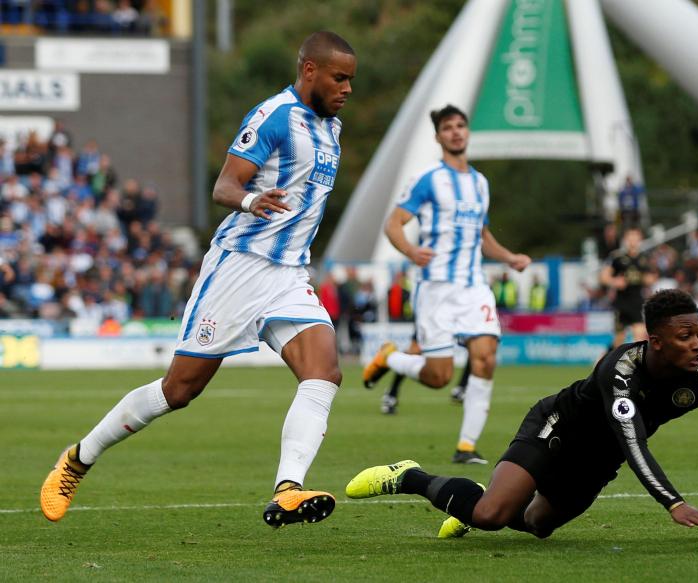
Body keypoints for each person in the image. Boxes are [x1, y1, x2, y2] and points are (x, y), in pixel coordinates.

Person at [39, 31, 357, 529]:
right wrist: (252, 200)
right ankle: (78, 458)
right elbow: (225, 185)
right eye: (340, 78)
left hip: (289, 274)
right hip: (238, 267)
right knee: (179, 390)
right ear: (310, 70)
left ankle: (288, 489)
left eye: (351, 81)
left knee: (324, 373)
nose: (347, 89)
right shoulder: (273, 116)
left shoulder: (332, 130)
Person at [345, 289, 698, 544]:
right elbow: (634, 439)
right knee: (490, 517)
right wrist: (673, 503)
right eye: (686, 336)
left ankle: (474, 500)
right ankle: (411, 477)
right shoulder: (620, 368)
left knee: (535, 526)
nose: (697, 344)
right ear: (654, 341)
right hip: (555, 431)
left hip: (598, 463)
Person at [362, 104, 531, 464]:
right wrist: (410, 250)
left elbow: (482, 234)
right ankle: (391, 357)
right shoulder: (428, 179)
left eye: (461, 126)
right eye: (448, 127)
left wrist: (508, 257)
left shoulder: (480, 183)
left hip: (473, 287)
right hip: (436, 288)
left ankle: (466, 446)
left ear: (467, 132)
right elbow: (394, 223)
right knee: (439, 377)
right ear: (438, 137)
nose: (456, 132)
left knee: (485, 359)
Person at [377, 331, 472, 415]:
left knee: (477, 347)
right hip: (434, 313)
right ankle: (390, 359)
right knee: (415, 351)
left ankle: (461, 388)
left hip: (461, 313)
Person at [600, 227, 653, 346]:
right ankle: (604, 361)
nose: (633, 239)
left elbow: (651, 277)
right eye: (630, 236)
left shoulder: (645, 258)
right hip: (621, 302)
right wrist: (614, 281)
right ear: (625, 239)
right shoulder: (617, 257)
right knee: (619, 340)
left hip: (637, 301)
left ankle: (637, 364)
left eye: (636, 236)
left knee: (640, 337)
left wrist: (647, 279)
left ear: (640, 238)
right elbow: (603, 277)